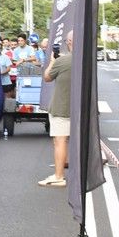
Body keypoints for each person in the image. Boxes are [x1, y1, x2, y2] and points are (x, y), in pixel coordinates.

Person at [39, 31, 73, 187]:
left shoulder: (63, 61)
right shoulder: (86, 60)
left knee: (60, 140)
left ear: (70, 42)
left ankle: (59, 176)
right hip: (80, 108)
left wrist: (53, 61)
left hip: (61, 106)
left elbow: (47, 77)